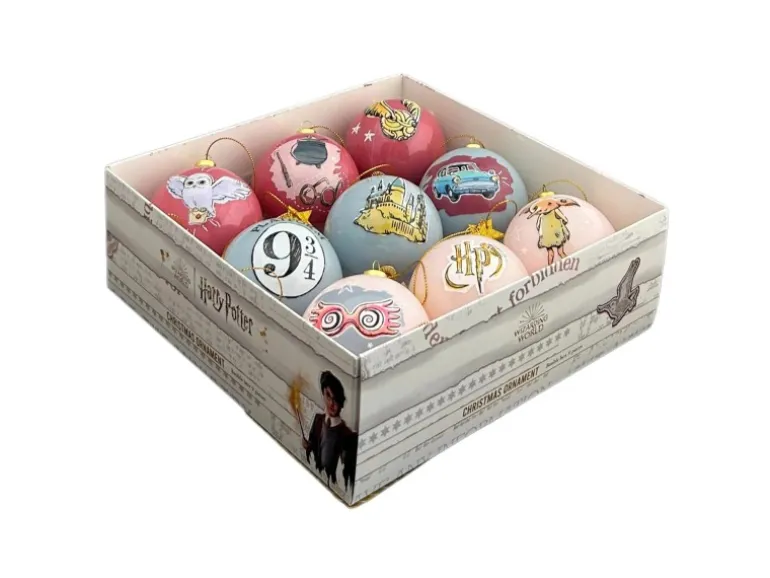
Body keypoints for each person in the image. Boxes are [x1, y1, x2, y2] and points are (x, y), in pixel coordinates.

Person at [303, 371, 358, 490]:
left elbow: (347, 479)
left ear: (341, 403)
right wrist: (308, 446)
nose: (332, 403)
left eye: (336, 399)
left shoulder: (349, 437)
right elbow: (313, 451)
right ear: (323, 394)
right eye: (328, 396)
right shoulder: (318, 420)